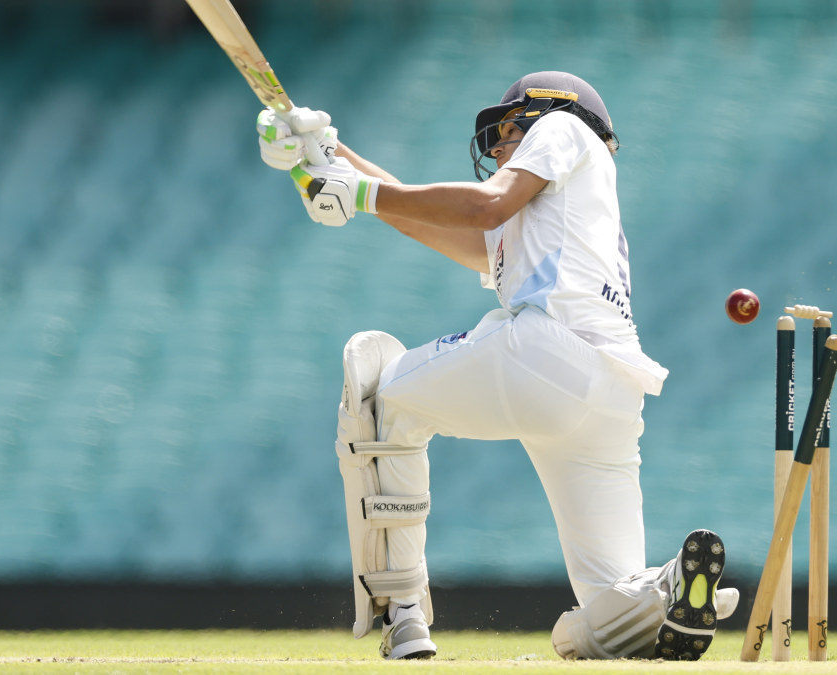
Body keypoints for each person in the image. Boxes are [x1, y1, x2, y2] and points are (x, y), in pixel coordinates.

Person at [255, 71, 738, 660]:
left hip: (549, 353)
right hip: (613, 390)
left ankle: (403, 614)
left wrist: (358, 193)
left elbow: (483, 206)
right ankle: (667, 590)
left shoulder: (563, 128)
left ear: (549, 112)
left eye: (510, 130)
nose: (502, 146)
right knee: (597, 616)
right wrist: (325, 155)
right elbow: (429, 218)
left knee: (381, 398)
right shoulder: (561, 209)